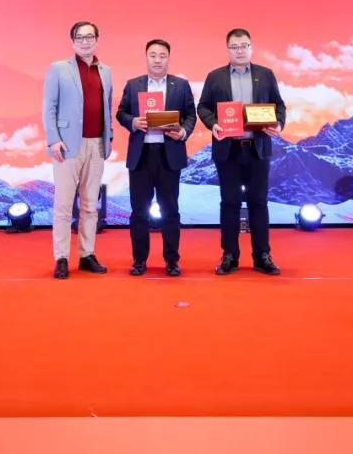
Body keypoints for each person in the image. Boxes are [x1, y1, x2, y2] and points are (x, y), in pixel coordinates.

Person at [196, 28, 286, 275]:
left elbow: (279, 106)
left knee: (259, 202)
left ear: (251, 47)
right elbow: (203, 107)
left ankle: (262, 255)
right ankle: (229, 256)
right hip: (228, 150)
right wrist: (213, 124)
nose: (239, 51)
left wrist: (278, 124)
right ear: (227, 50)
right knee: (229, 203)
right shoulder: (215, 77)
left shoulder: (265, 75)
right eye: (234, 47)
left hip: (257, 148)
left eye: (243, 46)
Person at [116, 39, 197, 276]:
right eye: (153, 55)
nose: (157, 60)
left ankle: (172, 260)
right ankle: (139, 260)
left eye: (162, 55)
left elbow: (190, 116)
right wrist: (133, 122)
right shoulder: (133, 85)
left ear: (168, 58)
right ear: (146, 57)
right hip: (141, 156)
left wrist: (183, 132)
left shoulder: (180, 85)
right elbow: (121, 113)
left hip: (168, 154)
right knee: (139, 212)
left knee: (170, 210)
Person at [41, 21, 114, 279]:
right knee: (63, 205)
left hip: (96, 144)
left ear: (97, 40)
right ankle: (61, 257)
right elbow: (49, 106)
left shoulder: (106, 71)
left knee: (90, 205)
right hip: (67, 145)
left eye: (89, 37)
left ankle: (86, 254)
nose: (85, 41)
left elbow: (107, 106)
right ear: (72, 42)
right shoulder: (59, 69)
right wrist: (53, 139)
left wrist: (108, 137)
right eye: (80, 37)